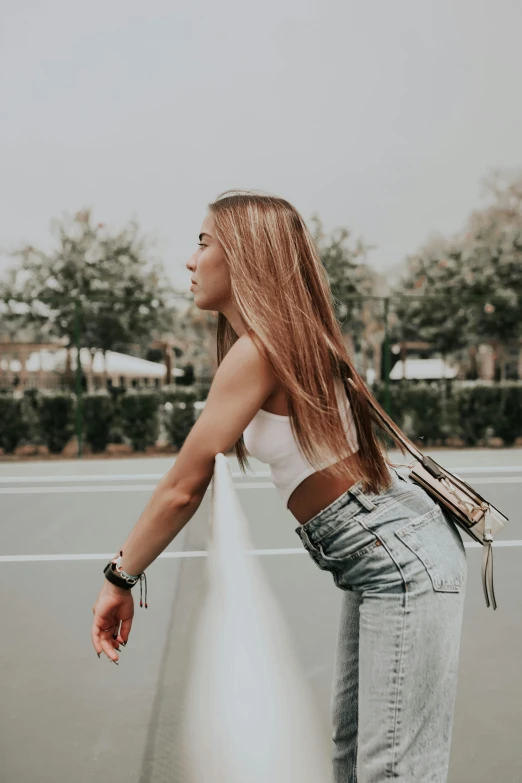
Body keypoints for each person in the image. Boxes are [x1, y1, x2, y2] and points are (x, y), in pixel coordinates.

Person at [91, 191, 467, 783]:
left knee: (391, 773)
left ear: (244, 256)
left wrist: (118, 578)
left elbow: (182, 488)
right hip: (382, 553)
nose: (190, 261)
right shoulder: (278, 340)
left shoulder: (262, 349)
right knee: (354, 764)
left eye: (203, 242)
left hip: (398, 556)